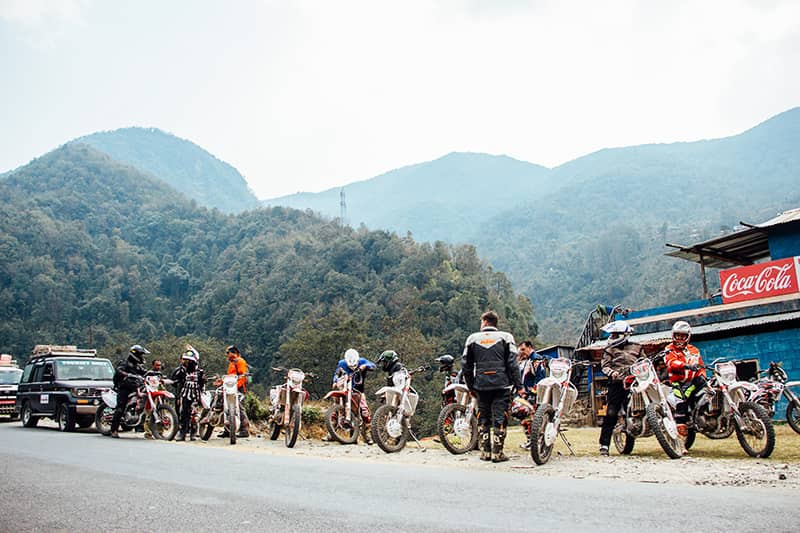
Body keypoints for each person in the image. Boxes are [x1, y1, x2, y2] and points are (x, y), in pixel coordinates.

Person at [462, 310, 523, 463]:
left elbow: (466, 366)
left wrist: (471, 387)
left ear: (484, 322)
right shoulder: (506, 337)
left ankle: (485, 453)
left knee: (483, 418)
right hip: (501, 384)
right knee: (500, 417)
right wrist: (519, 385)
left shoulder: (472, 339)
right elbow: (513, 364)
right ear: (495, 322)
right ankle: (498, 453)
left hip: (481, 385)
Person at [598, 320, 643, 456]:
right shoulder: (609, 349)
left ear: (624, 334)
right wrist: (613, 373)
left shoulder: (637, 347)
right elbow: (604, 366)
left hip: (635, 383)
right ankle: (604, 445)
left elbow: (644, 362)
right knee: (611, 412)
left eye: (616, 334)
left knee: (633, 412)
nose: (613, 337)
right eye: (612, 334)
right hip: (617, 383)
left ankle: (631, 439)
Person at [663, 321, 706, 439]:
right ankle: (681, 440)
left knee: (709, 391)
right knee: (681, 402)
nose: (680, 339)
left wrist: (702, 374)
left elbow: (701, 365)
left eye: (683, 336)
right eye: (678, 336)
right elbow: (671, 362)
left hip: (693, 381)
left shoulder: (694, 350)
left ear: (688, 336)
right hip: (678, 382)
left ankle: (703, 414)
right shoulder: (669, 349)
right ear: (673, 335)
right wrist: (685, 365)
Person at [332, 348, 376, 444]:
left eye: (355, 365)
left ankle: (367, 435)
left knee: (365, 411)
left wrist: (366, 366)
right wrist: (335, 381)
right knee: (335, 410)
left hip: (358, 391)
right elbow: (336, 373)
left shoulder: (362, 361)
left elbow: (373, 365)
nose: (352, 367)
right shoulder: (342, 363)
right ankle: (331, 432)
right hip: (344, 389)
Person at [107, 345, 149, 438]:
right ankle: (113, 430)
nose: (142, 357)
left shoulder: (138, 366)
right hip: (124, 387)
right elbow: (119, 371)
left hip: (135, 386)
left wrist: (153, 373)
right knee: (120, 408)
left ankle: (142, 426)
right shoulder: (124, 363)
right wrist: (126, 374)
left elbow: (145, 372)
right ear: (135, 354)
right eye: (141, 354)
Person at [515, 340, 544, 449]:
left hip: (533, 393)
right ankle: (529, 440)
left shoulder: (536, 358)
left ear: (529, 347)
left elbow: (540, 377)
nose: (522, 352)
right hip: (525, 393)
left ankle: (535, 442)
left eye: (523, 349)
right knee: (523, 417)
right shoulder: (525, 360)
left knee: (532, 419)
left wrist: (534, 392)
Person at [171, 345, 205, 441]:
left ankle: (193, 433)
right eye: (186, 360)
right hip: (185, 395)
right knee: (184, 414)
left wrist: (201, 395)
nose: (187, 362)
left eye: (189, 361)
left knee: (194, 415)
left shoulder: (200, 372)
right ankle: (182, 433)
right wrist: (178, 397)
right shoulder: (181, 371)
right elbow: (177, 383)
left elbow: (202, 384)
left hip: (196, 396)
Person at [219, 345, 250, 438]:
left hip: (238, 388)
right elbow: (230, 376)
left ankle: (244, 430)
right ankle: (227, 430)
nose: (227, 355)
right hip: (230, 387)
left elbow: (242, 376)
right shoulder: (232, 363)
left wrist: (236, 386)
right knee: (227, 407)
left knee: (239, 408)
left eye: (228, 353)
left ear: (234, 353)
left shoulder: (240, 361)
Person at [142, 359, 164, 439]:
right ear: (153, 365)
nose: (159, 367)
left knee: (160, 413)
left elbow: (161, 383)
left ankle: (160, 431)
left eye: (160, 365)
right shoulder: (148, 373)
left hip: (157, 394)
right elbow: (144, 382)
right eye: (157, 365)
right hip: (149, 394)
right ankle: (148, 432)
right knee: (149, 412)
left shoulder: (159, 374)